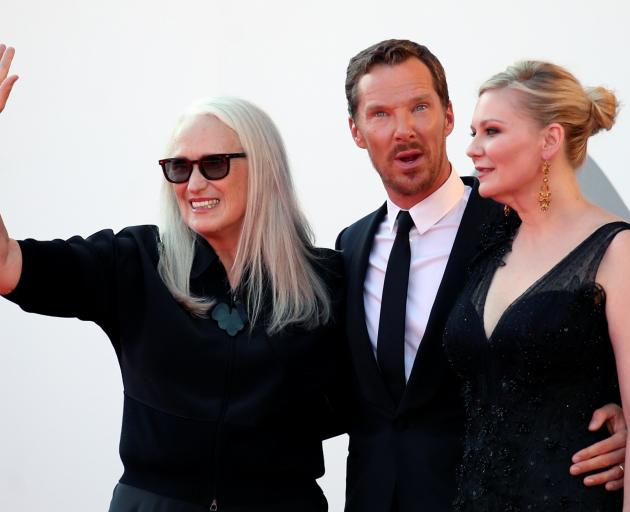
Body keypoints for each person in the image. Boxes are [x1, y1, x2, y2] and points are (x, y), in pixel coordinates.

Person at [0, 45, 346, 512]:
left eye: (214, 165)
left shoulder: (326, 280)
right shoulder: (135, 262)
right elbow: (7, 265)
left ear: (263, 168)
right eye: (179, 168)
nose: (194, 185)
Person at [335, 39, 628, 511]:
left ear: (447, 116)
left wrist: (620, 424)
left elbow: (573, 336)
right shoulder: (349, 246)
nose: (404, 130)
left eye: (420, 107)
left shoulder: (516, 224)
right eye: (381, 114)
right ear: (356, 130)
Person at [442, 60, 629, 510]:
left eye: (491, 131)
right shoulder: (490, 245)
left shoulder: (617, 251)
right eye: (473, 131)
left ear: (549, 140)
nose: (471, 148)